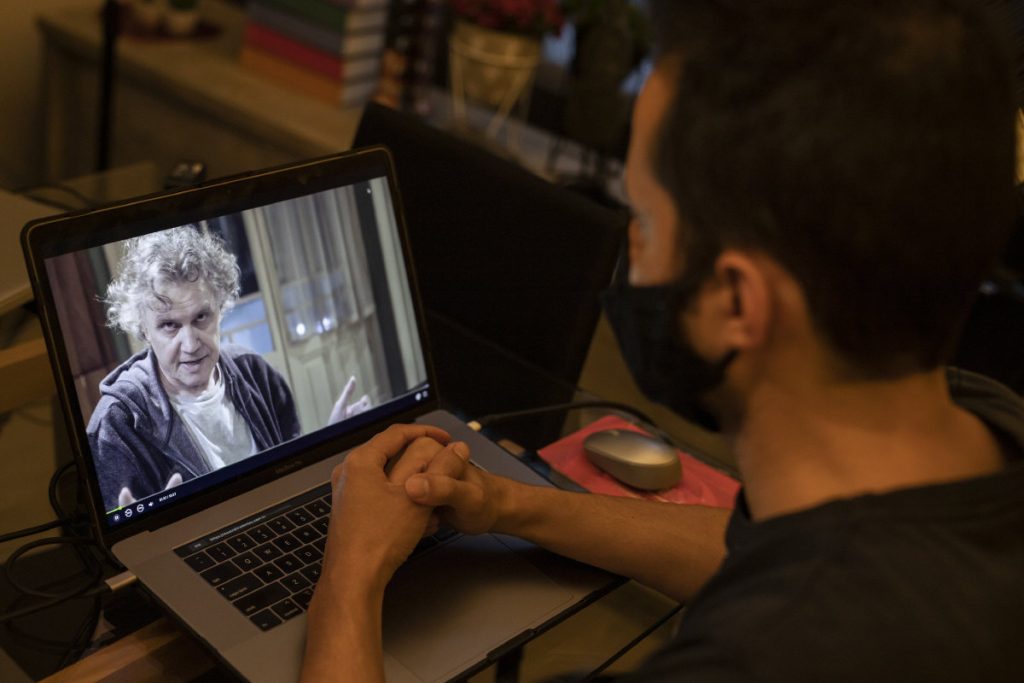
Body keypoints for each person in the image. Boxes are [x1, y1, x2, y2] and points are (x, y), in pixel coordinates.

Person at [302, 1, 1024, 681]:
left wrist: (352, 567)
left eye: (642, 222)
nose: (631, 256)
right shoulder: (979, 424)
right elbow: (753, 552)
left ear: (737, 301)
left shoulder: (757, 657)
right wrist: (510, 504)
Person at [88, 226, 371, 510]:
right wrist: (147, 523)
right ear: (144, 329)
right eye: (169, 325)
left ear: (220, 308)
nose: (190, 344)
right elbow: (125, 540)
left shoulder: (255, 372)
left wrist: (327, 446)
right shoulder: (116, 424)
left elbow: (292, 480)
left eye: (201, 317)